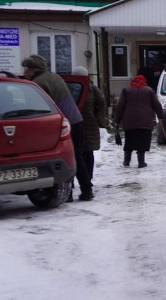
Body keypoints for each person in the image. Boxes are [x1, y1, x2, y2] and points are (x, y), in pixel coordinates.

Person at [22, 54, 94, 201]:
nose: (24, 73)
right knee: (76, 157)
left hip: (61, 123)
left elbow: (41, 108)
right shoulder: (54, 76)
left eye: (26, 70)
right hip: (76, 120)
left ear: (32, 70)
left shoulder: (38, 83)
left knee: (65, 158)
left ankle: (68, 193)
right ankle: (86, 190)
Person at [113, 73, 163, 168]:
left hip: (129, 122)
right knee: (142, 141)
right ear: (144, 81)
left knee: (129, 141)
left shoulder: (126, 90)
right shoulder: (149, 91)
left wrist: (117, 120)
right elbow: (157, 105)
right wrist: (160, 116)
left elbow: (120, 106)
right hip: (145, 122)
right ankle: (141, 162)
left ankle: (126, 161)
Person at [72, 66, 108, 189]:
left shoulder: (92, 89)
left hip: (88, 124)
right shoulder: (70, 87)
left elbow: (102, 103)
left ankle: (88, 178)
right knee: (74, 153)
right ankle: (71, 181)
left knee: (87, 152)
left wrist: (99, 118)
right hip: (74, 123)